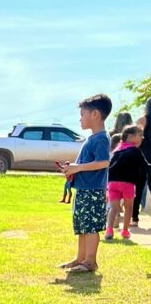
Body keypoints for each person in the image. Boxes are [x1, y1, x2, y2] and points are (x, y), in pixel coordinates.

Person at [58, 94, 112, 273]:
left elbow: (104, 162)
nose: (80, 119)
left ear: (95, 114)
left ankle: (90, 261)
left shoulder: (101, 138)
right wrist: (72, 169)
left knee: (90, 227)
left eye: (82, 114)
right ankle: (80, 258)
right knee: (82, 226)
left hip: (93, 191)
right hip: (83, 189)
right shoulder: (92, 139)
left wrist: (78, 168)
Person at [106, 124, 147, 240]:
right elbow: (144, 166)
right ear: (131, 136)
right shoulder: (135, 150)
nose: (142, 138)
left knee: (114, 208)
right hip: (128, 183)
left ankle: (109, 230)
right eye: (140, 135)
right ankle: (125, 231)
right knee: (129, 207)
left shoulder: (117, 150)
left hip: (112, 183)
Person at [134, 99, 151, 227]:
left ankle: (134, 218)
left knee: (138, 188)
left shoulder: (142, 120)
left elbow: (136, 139)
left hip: (143, 157)